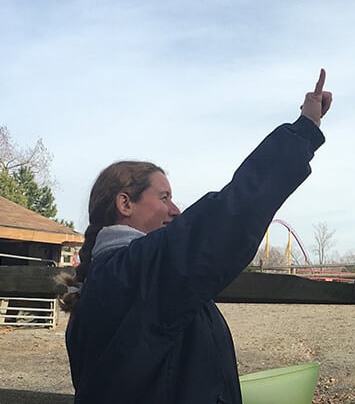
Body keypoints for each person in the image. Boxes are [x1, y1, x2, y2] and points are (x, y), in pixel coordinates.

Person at [56, 69, 332, 404]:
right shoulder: (137, 273)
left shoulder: (108, 281)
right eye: (164, 198)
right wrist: (304, 130)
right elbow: (232, 212)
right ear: (125, 203)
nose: (175, 211)